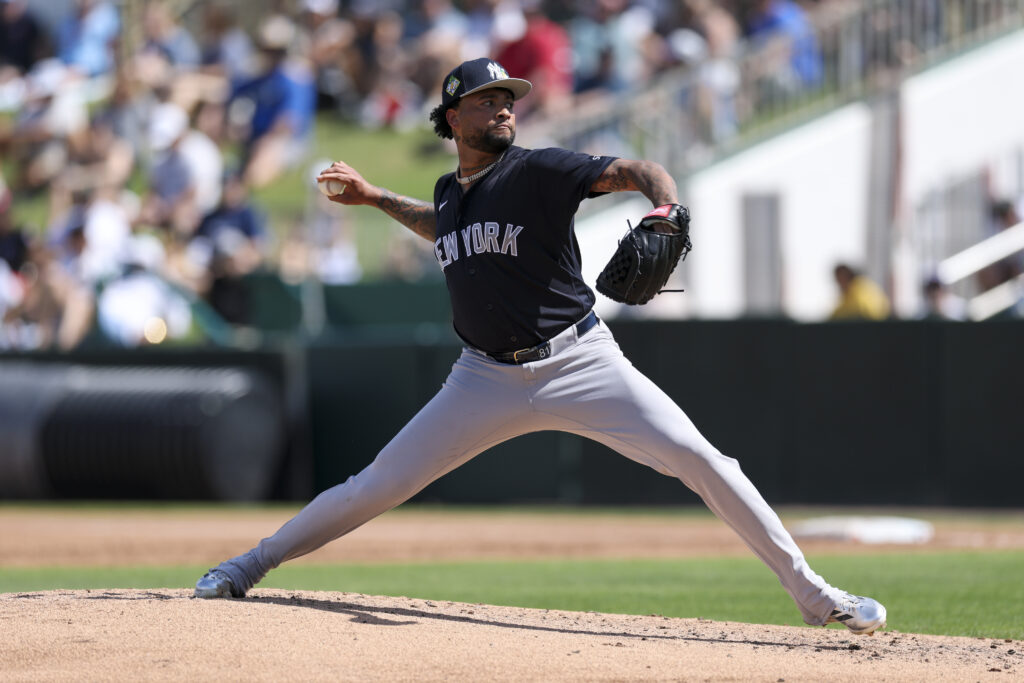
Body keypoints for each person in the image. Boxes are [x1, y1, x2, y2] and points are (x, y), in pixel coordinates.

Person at [195, 57, 887, 636]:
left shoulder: (539, 171)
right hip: (481, 379)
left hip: (581, 360)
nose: (504, 108)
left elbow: (641, 169)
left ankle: (813, 593)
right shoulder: (449, 192)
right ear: (452, 118)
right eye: (487, 100)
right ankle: (247, 565)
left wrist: (664, 208)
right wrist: (377, 198)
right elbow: (443, 226)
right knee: (375, 485)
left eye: (508, 99)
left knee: (704, 460)